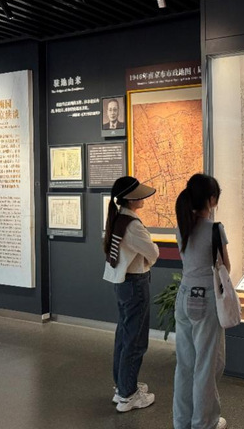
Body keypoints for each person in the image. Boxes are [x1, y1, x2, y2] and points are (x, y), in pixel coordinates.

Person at [173, 174, 229, 429]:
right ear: (211, 199)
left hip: (184, 294)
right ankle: (204, 423)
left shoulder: (182, 226)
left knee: (185, 365)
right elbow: (225, 267)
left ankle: (182, 422)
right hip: (206, 298)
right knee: (206, 365)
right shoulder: (214, 229)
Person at [103, 176, 159, 412]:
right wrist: (152, 252)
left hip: (123, 283)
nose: (143, 198)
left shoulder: (119, 218)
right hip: (135, 283)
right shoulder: (133, 225)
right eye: (139, 194)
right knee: (135, 340)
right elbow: (153, 252)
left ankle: (123, 386)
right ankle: (128, 395)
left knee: (125, 336)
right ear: (130, 198)